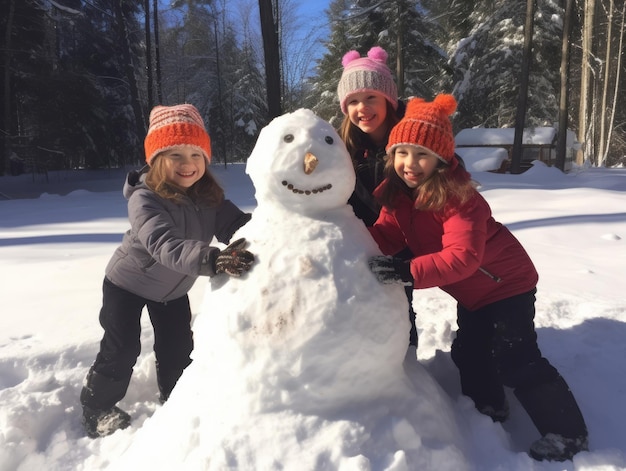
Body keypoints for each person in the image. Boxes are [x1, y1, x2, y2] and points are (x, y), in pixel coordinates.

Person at [367, 94, 589, 462]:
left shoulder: (459, 199)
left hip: (507, 285)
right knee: (470, 351)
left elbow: (463, 258)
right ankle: (489, 408)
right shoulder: (397, 197)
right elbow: (386, 236)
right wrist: (353, 249)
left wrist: (407, 272)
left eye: (421, 154)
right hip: (474, 294)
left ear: (441, 158)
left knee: (515, 357)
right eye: (402, 153)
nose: (410, 163)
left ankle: (568, 433)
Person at [80, 104, 255, 439]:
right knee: (122, 347)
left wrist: (267, 232)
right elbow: (164, 243)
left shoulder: (209, 197)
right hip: (127, 284)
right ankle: (97, 407)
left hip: (173, 289)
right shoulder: (144, 199)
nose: (187, 164)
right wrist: (213, 259)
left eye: (195, 154)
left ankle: (177, 398)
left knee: (178, 346)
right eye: (175, 154)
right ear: (156, 159)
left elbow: (235, 225)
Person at [336, 45, 417, 347]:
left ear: (388, 99)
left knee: (400, 309)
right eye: (354, 100)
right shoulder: (342, 147)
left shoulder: (411, 138)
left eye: (371, 97)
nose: (362, 107)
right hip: (361, 244)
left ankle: (406, 363)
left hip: (403, 246)